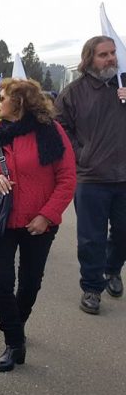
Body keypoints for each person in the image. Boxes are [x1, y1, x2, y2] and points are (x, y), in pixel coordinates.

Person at [0, 78, 76, 371]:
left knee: (30, 282)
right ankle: (14, 341)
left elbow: (67, 178)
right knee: (1, 282)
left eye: (2, 98)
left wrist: (47, 215)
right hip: (2, 221)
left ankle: (15, 324)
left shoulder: (51, 132)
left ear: (19, 102)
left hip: (39, 223)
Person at [55, 36, 126, 314]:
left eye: (112, 53)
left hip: (124, 177)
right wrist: (80, 153)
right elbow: (59, 128)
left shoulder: (123, 85)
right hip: (90, 177)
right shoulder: (73, 93)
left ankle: (112, 269)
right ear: (89, 59)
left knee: (123, 232)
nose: (110, 58)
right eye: (103, 54)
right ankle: (92, 288)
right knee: (90, 238)